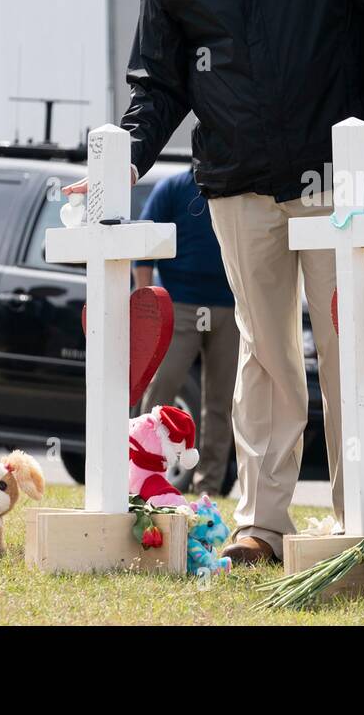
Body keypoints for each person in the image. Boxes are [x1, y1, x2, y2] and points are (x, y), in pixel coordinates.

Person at [68, 0, 364, 565]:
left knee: (355, 350)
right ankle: (263, 525)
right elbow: (156, 85)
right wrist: (123, 161)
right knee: (265, 354)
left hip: (335, 182)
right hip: (237, 185)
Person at [133, 168, 239, 498]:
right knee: (162, 388)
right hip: (180, 306)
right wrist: (147, 304)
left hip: (229, 307)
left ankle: (208, 486)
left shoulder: (236, 184)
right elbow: (144, 245)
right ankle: (144, 471)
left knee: (222, 403)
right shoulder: (173, 188)